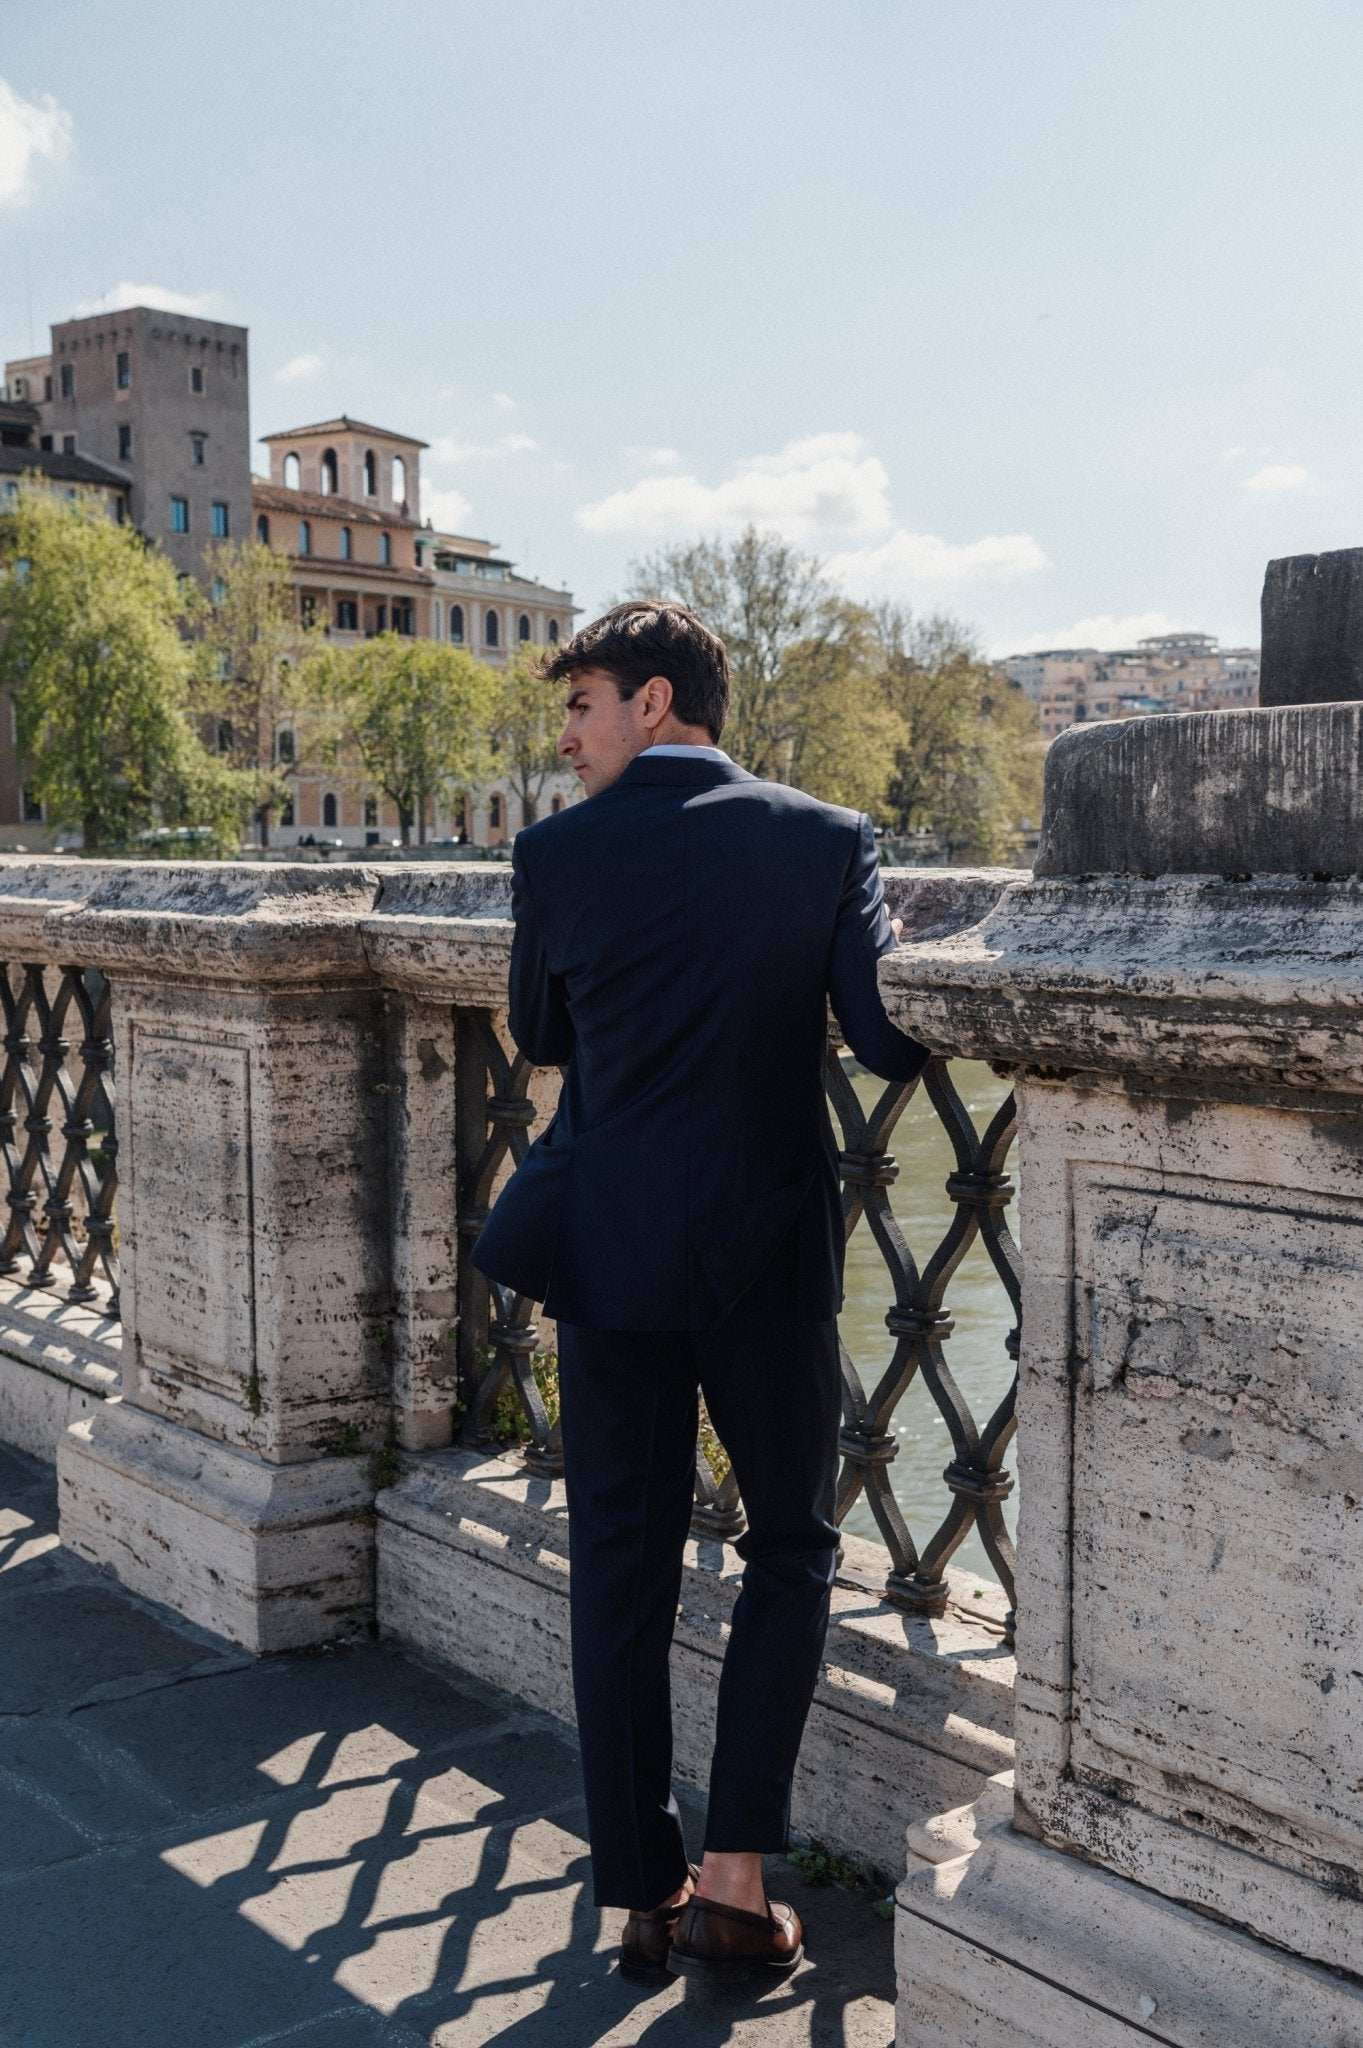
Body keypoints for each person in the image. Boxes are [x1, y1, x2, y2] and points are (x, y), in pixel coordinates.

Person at [472, 601, 927, 1984]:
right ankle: (738, 1879)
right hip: (765, 1250)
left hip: (605, 1249)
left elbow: (542, 1031)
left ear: (659, 702)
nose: (569, 736)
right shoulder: (827, 839)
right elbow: (894, 1034)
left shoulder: (553, 853)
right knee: (787, 1548)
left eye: (587, 706)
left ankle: (642, 1897)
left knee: (621, 1559)